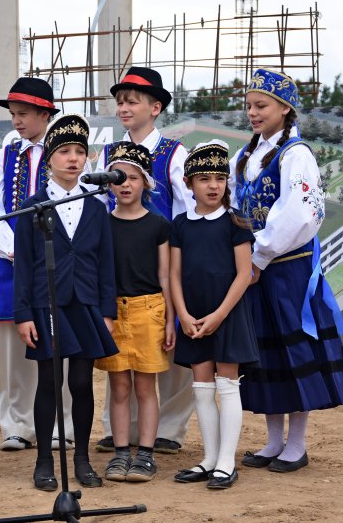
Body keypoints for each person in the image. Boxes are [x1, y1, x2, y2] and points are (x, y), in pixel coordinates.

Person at [230, 69, 343, 474]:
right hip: (256, 267)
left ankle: (296, 444)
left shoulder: (296, 155)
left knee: (291, 347)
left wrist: (259, 257)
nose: (252, 112)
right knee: (265, 354)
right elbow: (235, 209)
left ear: (285, 108)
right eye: (248, 106)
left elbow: (299, 215)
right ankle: (273, 440)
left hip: (288, 272)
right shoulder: (245, 156)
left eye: (260, 105)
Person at [13, 114, 119, 491]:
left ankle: (83, 459)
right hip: (46, 304)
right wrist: (23, 313)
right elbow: (23, 264)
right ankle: (44, 461)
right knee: (48, 382)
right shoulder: (33, 206)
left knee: (82, 382)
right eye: (64, 152)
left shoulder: (96, 206)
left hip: (86, 304)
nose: (73, 159)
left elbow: (106, 263)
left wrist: (108, 310)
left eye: (79, 152)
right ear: (49, 159)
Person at [93, 66, 195, 455]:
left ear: (155, 107)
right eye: (120, 101)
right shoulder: (106, 154)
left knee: (165, 350)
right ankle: (119, 429)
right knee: (118, 357)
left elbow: (187, 209)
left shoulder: (173, 151)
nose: (124, 107)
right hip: (118, 266)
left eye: (132, 101)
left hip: (163, 262)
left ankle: (168, 428)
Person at [0, 77, 76, 452]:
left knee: (59, 340)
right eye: (14, 114)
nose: (16, 121)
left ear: (45, 114)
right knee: (14, 347)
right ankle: (16, 423)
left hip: (54, 258)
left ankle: (60, 424)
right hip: (13, 259)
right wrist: (10, 245)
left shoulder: (65, 151)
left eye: (24, 114)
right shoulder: (7, 153)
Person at [169, 140, 259, 490]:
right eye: (204, 178)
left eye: (219, 178)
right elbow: (174, 275)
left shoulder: (236, 222)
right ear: (189, 183)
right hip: (193, 315)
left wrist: (220, 314)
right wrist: (184, 315)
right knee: (203, 388)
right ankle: (209, 458)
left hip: (227, 315)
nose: (213, 185)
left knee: (227, 385)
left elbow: (244, 274)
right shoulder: (180, 225)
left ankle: (226, 462)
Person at [94, 143, 174, 484]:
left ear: (145, 182)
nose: (125, 184)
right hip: (114, 314)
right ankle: (120, 453)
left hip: (149, 311)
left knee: (145, 387)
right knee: (119, 387)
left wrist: (170, 318)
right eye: (118, 178)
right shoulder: (102, 225)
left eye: (133, 177)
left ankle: (145, 455)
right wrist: (103, 314)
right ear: (109, 183)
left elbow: (165, 275)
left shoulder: (158, 225)